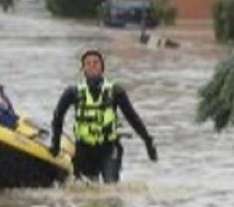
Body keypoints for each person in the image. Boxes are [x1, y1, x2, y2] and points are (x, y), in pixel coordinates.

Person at [49, 49, 157, 183]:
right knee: (88, 191)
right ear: (83, 69)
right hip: (84, 149)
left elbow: (133, 118)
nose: (92, 66)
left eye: (96, 62)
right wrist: (55, 144)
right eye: (88, 63)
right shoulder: (73, 92)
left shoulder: (116, 91)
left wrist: (148, 142)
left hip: (109, 147)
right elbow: (58, 117)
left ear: (102, 67)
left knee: (110, 186)